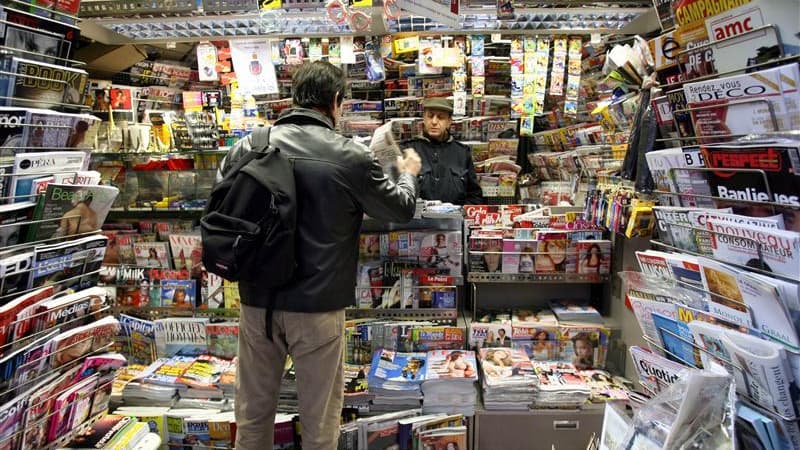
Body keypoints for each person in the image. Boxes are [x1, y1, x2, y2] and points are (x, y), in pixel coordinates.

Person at [218, 61, 421, 450]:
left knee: (252, 418)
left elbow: (220, 206)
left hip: (258, 302)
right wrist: (408, 171)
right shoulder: (349, 156)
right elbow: (400, 208)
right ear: (336, 101)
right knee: (320, 425)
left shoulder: (250, 144)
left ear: (294, 98)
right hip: (317, 308)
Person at [402, 97, 483, 205]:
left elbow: (475, 196)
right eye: (430, 116)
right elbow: (397, 194)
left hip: (455, 215)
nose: (434, 122)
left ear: (449, 122)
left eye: (440, 117)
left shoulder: (462, 153)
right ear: (424, 119)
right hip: (417, 216)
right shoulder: (408, 150)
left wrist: (459, 212)